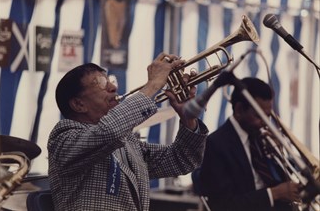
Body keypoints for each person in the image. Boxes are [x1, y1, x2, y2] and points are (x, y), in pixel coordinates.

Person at [47, 52, 208, 211]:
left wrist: (188, 119)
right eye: (102, 83)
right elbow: (107, 131)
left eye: (111, 80)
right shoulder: (63, 136)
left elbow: (182, 159)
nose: (113, 87)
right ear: (78, 104)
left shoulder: (127, 142)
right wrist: (152, 86)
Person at [199, 77, 300, 211]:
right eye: (259, 116)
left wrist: (280, 153)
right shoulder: (215, 145)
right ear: (239, 110)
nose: (265, 122)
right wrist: (273, 194)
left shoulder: (259, 136)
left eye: (267, 116)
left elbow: (281, 182)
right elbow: (222, 206)